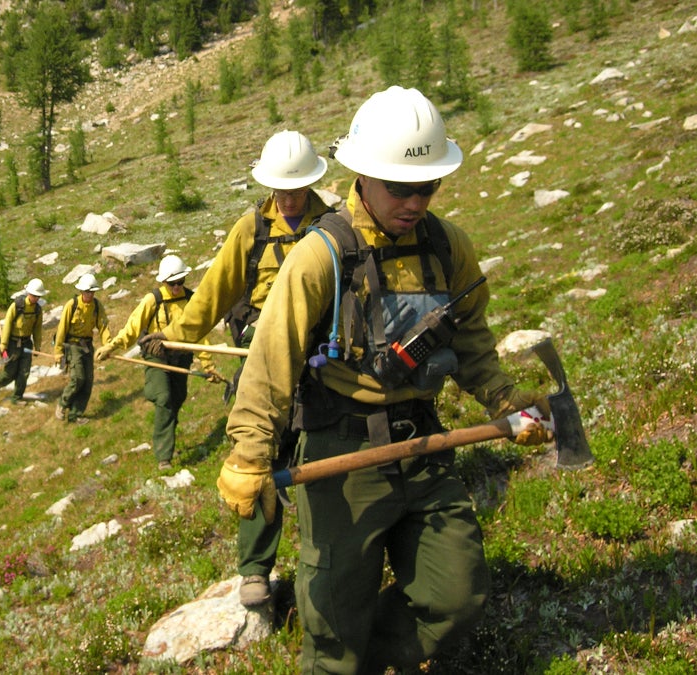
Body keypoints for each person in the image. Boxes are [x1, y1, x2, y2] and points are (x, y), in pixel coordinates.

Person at [219, 86, 552, 674]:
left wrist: (504, 399)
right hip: (340, 452)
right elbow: (271, 360)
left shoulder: (448, 246)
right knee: (334, 612)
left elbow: (472, 339)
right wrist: (249, 453)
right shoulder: (320, 255)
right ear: (363, 175)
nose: (416, 201)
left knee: (459, 595)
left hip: (425, 442)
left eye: (429, 186)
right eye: (400, 187)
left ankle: (369, 659)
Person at [138, 129, 332, 608]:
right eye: (281, 189)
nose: (289, 199)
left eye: (297, 189)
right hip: (261, 355)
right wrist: (175, 334)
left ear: (311, 183)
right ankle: (255, 569)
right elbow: (214, 292)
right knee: (256, 454)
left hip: (322, 354)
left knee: (324, 455)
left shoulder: (333, 224)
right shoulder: (251, 230)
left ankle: (327, 562)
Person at [95, 255, 224, 470]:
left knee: (177, 399)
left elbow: (200, 335)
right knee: (163, 398)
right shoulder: (152, 300)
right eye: (172, 283)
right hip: (157, 356)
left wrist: (208, 365)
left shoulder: (191, 301)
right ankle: (164, 457)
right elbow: (132, 328)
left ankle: (166, 436)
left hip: (181, 357)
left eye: (180, 282)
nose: (176, 287)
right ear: (163, 282)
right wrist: (111, 346)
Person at [53, 273, 112, 424]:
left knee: (88, 382)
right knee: (78, 378)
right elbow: (61, 329)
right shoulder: (71, 305)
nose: (90, 295)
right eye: (87, 292)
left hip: (87, 347)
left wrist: (107, 346)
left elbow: (103, 326)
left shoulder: (97, 306)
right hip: (72, 346)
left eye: (92, 292)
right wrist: (58, 351)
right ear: (81, 291)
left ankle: (76, 414)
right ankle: (63, 403)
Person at [0, 278, 48, 403]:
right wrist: (3, 344)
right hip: (12, 344)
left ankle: (16, 398)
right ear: (29, 293)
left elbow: (37, 329)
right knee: (10, 372)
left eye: (38, 296)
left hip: (26, 344)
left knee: (24, 373)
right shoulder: (17, 306)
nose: (36, 298)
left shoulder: (38, 310)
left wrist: (37, 346)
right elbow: (7, 325)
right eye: (34, 295)